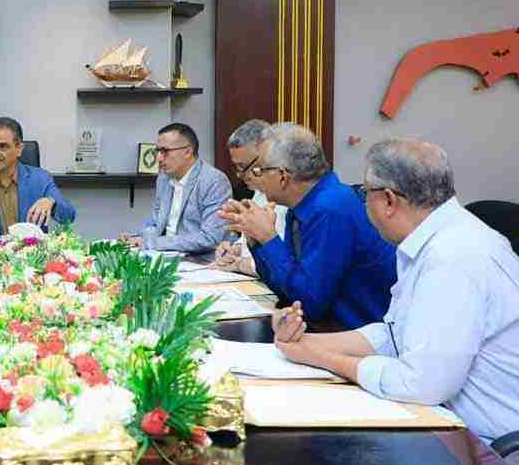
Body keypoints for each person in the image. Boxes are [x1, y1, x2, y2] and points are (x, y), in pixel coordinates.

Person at [273, 138, 519, 445]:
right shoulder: (432, 239)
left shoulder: (454, 257)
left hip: (486, 448)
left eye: (364, 193)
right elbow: (394, 334)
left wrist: (321, 357)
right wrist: (304, 341)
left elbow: (422, 384)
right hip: (443, 421)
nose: (363, 203)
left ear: (388, 201)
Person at [218, 123, 396, 330]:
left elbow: (310, 304)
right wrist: (255, 238)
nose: (256, 177)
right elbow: (287, 289)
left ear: (282, 176)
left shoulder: (330, 209)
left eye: (260, 170)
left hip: (355, 336)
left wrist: (268, 238)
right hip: (322, 330)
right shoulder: (301, 206)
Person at [121, 123, 231, 260]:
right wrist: (137, 237)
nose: (159, 158)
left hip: (200, 261)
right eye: (158, 151)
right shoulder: (163, 178)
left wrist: (152, 243)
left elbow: (210, 237)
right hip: (164, 256)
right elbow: (156, 224)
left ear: (187, 152)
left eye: (165, 151)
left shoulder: (214, 181)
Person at [213, 119, 288, 276]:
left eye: (244, 167)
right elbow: (252, 243)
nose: (241, 175)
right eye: (237, 167)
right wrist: (234, 250)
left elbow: (286, 264)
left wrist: (240, 264)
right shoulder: (259, 192)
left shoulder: (289, 194)